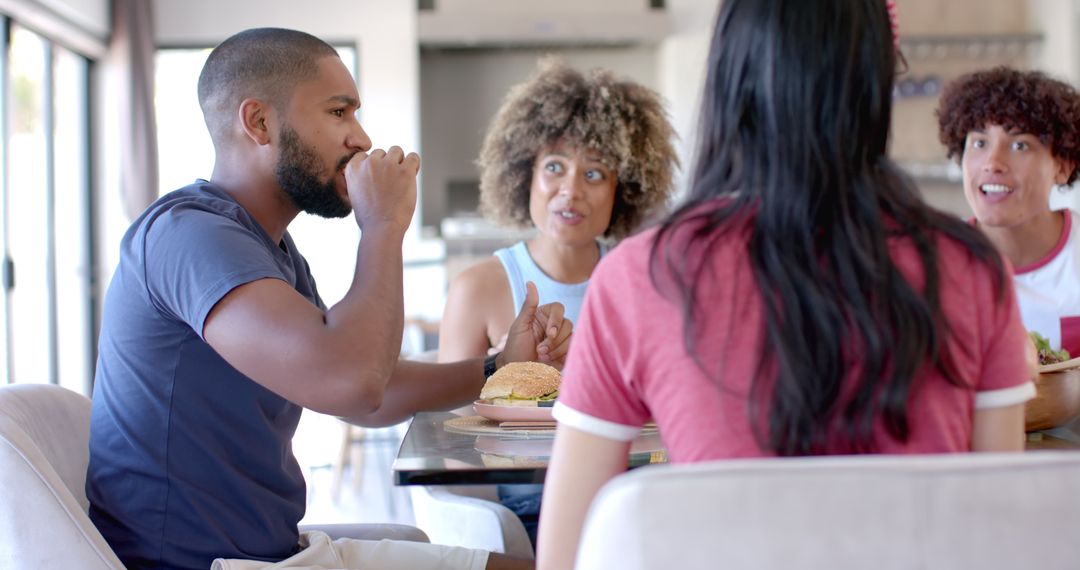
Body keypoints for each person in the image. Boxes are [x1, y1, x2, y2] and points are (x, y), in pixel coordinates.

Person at [535, 1, 1036, 568]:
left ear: (728, 76)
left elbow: (564, 556)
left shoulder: (640, 276)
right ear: (873, 81)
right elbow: (1000, 540)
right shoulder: (971, 270)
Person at [87, 28, 564, 570]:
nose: (361, 139)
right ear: (259, 122)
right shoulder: (191, 236)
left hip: (274, 554)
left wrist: (499, 366)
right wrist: (382, 226)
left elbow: (370, 394)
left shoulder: (269, 249)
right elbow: (354, 384)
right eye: (339, 113)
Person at [436, 59, 677, 545]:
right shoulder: (477, 289)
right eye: (554, 167)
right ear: (523, 174)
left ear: (623, 190)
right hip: (525, 505)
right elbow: (448, 438)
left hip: (633, 497)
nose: (570, 189)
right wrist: (507, 374)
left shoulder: (642, 279)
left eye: (594, 173)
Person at [936, 66, 1080, 355]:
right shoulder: (935, 265)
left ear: (1062, 167)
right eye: (979, 143)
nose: (992, 162)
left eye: (1019, 145)